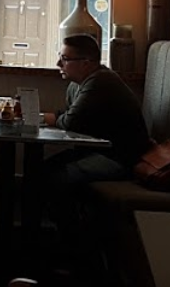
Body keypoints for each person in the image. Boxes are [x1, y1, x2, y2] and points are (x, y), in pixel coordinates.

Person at [41, 33, 150, 188]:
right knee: (42, 168)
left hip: (120, 158)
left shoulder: (100, 81)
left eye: (65, 59)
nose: (58, 63)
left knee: (51, 176)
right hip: (98, 151)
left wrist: (40, 117)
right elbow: (71, 120)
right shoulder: (76, 85)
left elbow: (70, 122)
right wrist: (41, 117)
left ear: (85, 63)